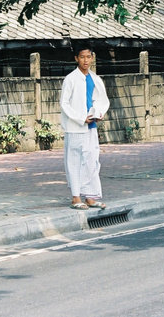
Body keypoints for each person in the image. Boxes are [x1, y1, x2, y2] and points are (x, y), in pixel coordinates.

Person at [60, 43, 110, 210]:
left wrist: (99, 113)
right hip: (75, 128)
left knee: (92, 161)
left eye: (88, 57)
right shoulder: (71, 79)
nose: (85, 60)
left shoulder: (95, 79)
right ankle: (76, 197)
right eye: (82, 57)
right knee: (74, 161)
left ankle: (90, 196)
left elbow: (103, 100)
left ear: (92, 58)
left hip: (91, 127)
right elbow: (64, 104)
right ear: (76, 58)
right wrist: (82, 118)